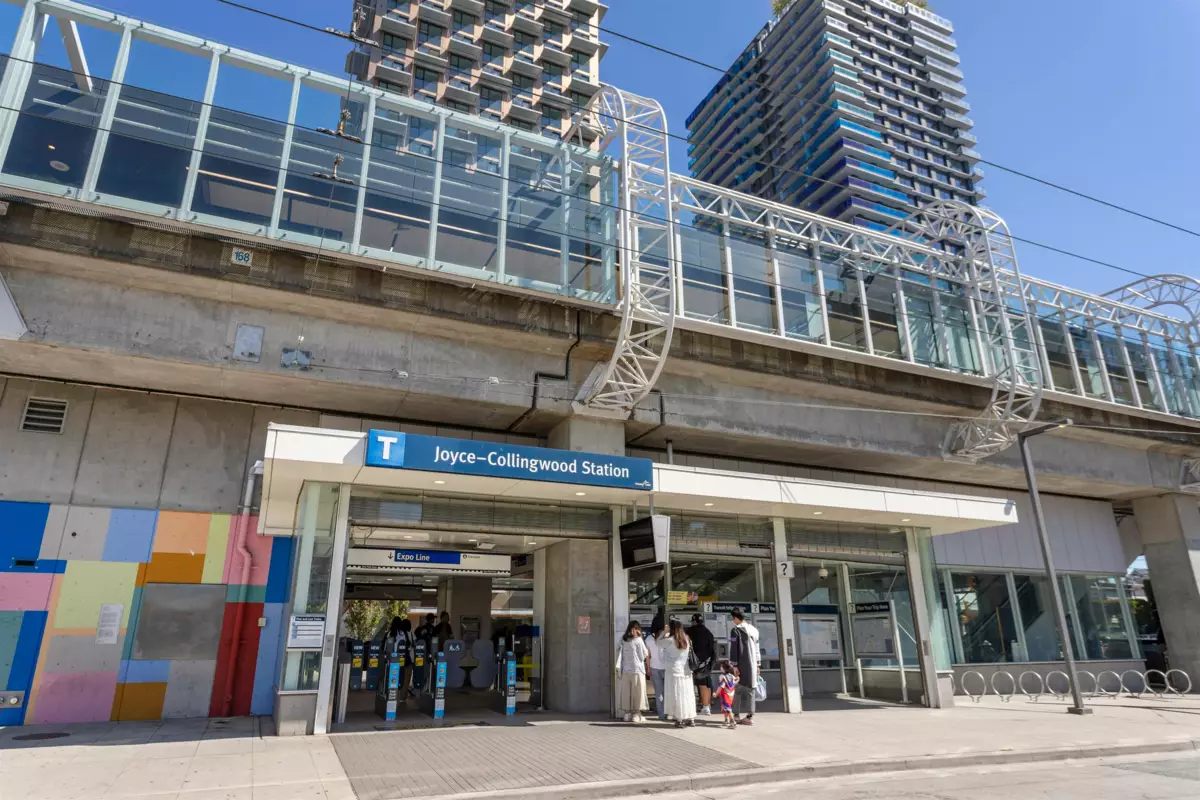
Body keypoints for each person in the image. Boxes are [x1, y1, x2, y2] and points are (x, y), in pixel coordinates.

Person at [659, 619, 697, 728]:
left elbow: (658, 642)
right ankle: (690, 718)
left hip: (674, 672)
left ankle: (679, 719)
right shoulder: (687, 638)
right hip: (686, 671)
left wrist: (664, 632)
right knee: (687, 695)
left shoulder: (670, 640)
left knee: (677, 695)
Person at [729, 608, 760, 726]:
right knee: (751, 690)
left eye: (733, 618)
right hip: (753, 664)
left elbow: (733, 647)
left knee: (737, 690)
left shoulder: (735, 630)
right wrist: (758, 664)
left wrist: (734, 665)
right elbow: (757, 648)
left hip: (741, 664)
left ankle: (736, 715)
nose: (733, 620)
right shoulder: (754, 630)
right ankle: (750, 717)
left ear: (736, 618)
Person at [615, 620, 649, 723]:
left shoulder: (623, 639)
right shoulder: (638, 640)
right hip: (637, 671)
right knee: (637, 693)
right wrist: (641, 638)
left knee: (626, 692)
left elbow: (617, 648)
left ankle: (627, 714)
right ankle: (636, 714)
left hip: (625, 670)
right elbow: (644, 655)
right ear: (637, 629)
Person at [686, 614, 716, 715]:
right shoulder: (708, 632)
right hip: (707, 662)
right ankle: (707, 704)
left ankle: (705, 707)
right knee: (707, 684)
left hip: (697, 663)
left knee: (701, 685)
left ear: (694, 621)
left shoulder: (691, 631)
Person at [646, 618, 668, 721]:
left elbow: (648, 656)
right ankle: (668, 712)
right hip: (666, 668)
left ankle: (661, 715)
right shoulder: (667, 636)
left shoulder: (648, 639)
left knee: (658, 692)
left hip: (654, 667)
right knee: (667, 691)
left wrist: (648, 668)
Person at [714, 660, 739, 730]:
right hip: (731, 695)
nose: (720, 668)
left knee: (727, 709)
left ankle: (733, 722)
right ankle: (726, 720)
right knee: (726, 707)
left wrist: (716, 694)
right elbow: (737, 679)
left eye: (721, 667)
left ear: (724, 668)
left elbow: (720, 686)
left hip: (725, 695)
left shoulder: (722, 677)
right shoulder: (731, 676)